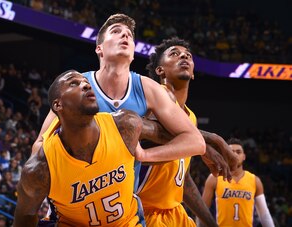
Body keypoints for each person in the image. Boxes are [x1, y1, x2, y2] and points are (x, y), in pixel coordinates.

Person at [34, 14, 206, 197]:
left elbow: (195, 142)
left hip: (123, 210)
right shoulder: (76, 86)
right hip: (76, 196)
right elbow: (39, 146)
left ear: (133, 53)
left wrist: (144, 156)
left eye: (129, 35)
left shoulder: (148, 88)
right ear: (99, 48)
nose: (125, 36)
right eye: (116, 32)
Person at [14, 70, 180, 226]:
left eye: (86, 82)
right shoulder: (41, 168)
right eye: (73, 84)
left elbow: (180, 134)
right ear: (58, 105)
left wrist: (206, 140)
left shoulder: (123, 124)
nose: (86, 85)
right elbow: (25, 218)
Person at [136, 37, 235, 226]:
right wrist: (208, 141)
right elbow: (153, 133)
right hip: (144, 212)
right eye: (174, 54)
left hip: (174, 212)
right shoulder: (153, 98)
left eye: (188, 56)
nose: (183, 56)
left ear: (193, 72)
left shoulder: (191, 117)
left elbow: (184, 180)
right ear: (160, 70)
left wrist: (210, 223)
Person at [201, 138, 275, 227]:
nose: (235, 154)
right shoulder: (214, 178)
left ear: (244, 156)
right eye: (231, 151)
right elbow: (202, 210)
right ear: (225, 155)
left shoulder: (255, 180)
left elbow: (264, 215)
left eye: (238, 152)